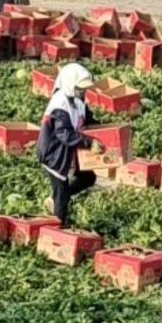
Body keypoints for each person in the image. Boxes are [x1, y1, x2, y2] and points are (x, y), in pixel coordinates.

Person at [37, 63, 97, 225]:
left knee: (88, 177)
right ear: (71, 84)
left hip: (68, 152)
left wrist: (104, 130)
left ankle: (56, 199)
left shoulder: (78, 100)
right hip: (54, 154)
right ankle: (58, 226)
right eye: (80, 87)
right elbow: (64, 134)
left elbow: (88, 118)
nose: (83, 91)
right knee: (61, 194)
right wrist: (89, 142)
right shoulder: (60, 105)